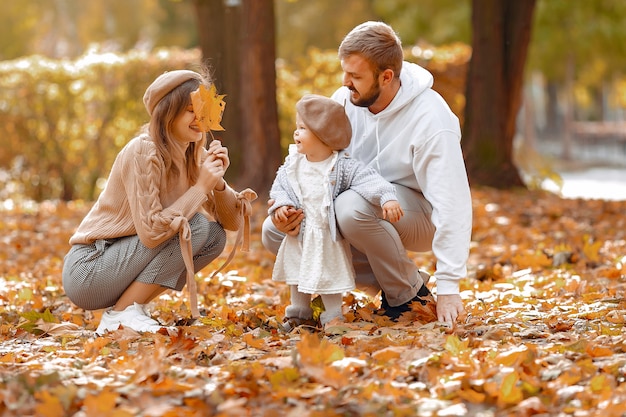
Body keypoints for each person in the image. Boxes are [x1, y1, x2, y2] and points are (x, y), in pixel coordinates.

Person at [262, 21, 472, 325]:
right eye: (345, 72)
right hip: (359, 203)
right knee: (274, 231)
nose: (346, 82)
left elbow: (452, 204)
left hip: (417, 215)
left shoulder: (431, 118)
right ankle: (379, 280)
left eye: (355, 76)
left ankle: (406, 294)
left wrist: (451, 285)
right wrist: (289, 199)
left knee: (350, 207)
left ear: (386, 76)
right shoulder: (345, 99)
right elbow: (311, 153)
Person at [63, 69, 255, 335]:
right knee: (196, 225)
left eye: (204, 109)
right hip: (90, 268)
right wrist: (201, 187)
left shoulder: (192, 155)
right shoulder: (143, 150)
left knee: (213, 236)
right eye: (190, 110)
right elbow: (153, 232)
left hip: (124, 262)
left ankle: (128, 309)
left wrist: (218, 183)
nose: (199, 118)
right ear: (167, 113)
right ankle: (120, 314)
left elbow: (231, 223)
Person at [269, 94, 404, 328]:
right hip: (300, 233)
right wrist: (281, 206)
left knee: (329, 274)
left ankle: (333, 317)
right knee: (297, 272)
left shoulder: (341, 166)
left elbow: (369, 180)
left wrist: (387, 197)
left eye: (302, 128)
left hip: (325, 236)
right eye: (297, 127)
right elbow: (279, 188)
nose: (296, 133)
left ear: (323, 136)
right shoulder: (293, 164)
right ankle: (298, 313)